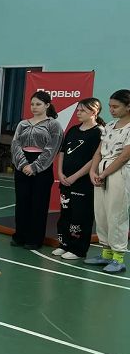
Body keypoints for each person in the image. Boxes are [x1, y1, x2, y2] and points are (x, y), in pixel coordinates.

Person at [9, 90, 63, 250]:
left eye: (38, 104)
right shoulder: (23, 124)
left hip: (42, 168)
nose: (34, 107)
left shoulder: (53, 125)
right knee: (22, 203)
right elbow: (15, 144)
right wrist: (23, 164)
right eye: (32, 104)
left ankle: (34, 239)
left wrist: (35, 167)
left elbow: (52, 148)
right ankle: (20, 236)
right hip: (22, 165)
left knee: (38, 204)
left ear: (47, 105)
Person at [84, 90, 130, 273]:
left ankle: (118, 258)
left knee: (116, 215)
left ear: (128, 107)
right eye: (110, 106)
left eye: (115, 106)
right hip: (101, 171)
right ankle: (106, 254)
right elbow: (98, 151)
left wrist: (103, 174)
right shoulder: (110, 126)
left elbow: (124, 156)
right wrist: (92, 171)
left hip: (119, 173)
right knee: (101, 213)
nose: (111, 110)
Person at [53, 98, 104, 259]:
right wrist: (60, 173)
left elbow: (95, 158)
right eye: (78, 110)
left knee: (80, 216)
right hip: (66, 181)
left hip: (83, 183)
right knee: (65, 214)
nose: (78, 113)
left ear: (94, 112)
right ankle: (64, 244)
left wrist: (75, 176)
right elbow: (62, 152)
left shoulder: (99, 132)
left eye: (82, 110)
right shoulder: (73, 130)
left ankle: (78, 249)